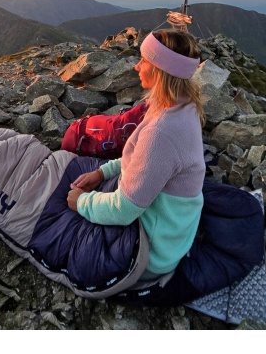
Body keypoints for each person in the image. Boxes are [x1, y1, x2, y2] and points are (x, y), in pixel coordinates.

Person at [67, 29, 206, 282]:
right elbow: (145, 160)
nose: (136, 67)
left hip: (149, 253)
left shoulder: (162, 131)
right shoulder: (182, 105)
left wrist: (82, 203)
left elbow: (124, 210)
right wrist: (102, 173)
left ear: (160, 71)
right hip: (171, 231)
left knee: (64, 237)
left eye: (144, 60)